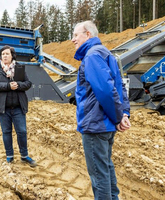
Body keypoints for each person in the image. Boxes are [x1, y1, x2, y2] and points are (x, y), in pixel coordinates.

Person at [72, 21, 131, 200]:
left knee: (99, 174)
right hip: (104, 125)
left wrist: (118, 117)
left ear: (88, 34)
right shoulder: (106, 54)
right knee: (105, 167)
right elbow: (119, 85)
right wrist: (124, 113)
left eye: (76, 35)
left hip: (96, 124)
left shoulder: (91, 56)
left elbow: (106, 90)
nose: (73, 40)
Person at [0, 45, 37, 167]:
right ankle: (9, 156)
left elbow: (28, 83)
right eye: (3, 54)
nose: (5, 56)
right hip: (2, 107)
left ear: (12, 56)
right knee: (6, 131)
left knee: (22, 131)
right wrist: (8, 86)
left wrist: (18, 85)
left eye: (7, 54)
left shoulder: (19, 68)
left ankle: (24, 156)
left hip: (18, 107)